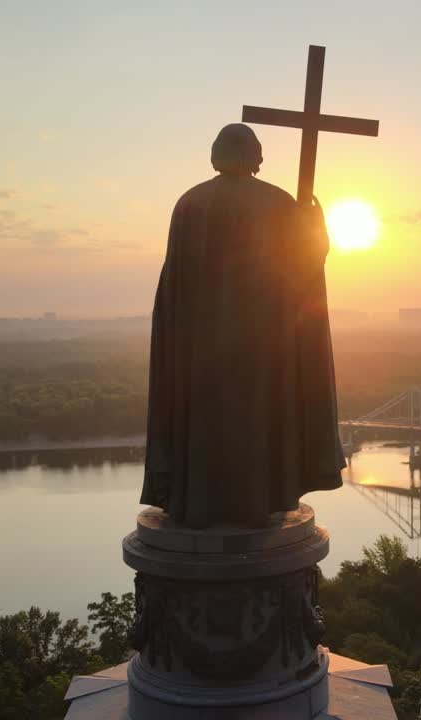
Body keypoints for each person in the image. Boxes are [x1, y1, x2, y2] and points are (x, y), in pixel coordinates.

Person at [140, 123, 345, 528]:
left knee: (204, 417)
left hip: (199, 346)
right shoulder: (278, 203)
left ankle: (195, 500)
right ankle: (261, 497)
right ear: (257, 156)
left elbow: (174, 287)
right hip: (264, 346)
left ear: (216, 154)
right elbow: (303, 269)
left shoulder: (190, 203)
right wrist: (315, 227)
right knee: (259, 416)